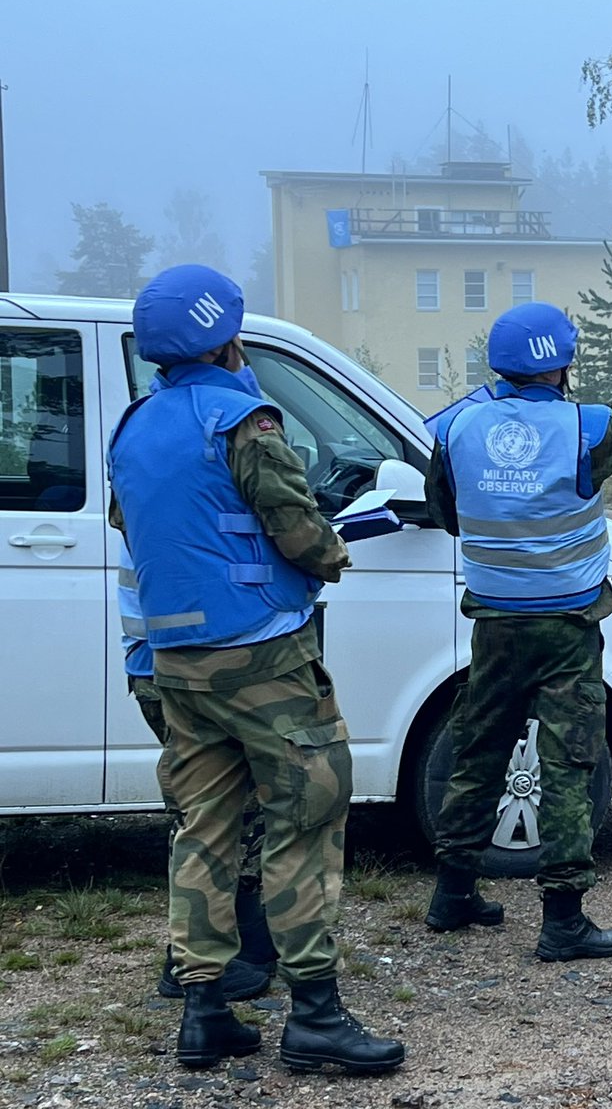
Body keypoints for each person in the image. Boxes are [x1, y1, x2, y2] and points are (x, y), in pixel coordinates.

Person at [108, 265, 404, 1074]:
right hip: (265, 654)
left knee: (203, 830)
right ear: (228, 338)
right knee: (305, 818)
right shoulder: (246, 420)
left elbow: (138, 525)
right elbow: (298, 530)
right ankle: (314, 1014)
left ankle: (204, 1010)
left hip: (176, 663)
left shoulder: (132, 427)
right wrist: (333, 553)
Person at [423, 301, 612, 960]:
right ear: (562, 365)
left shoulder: (456, 428)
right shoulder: (584, 429)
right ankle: (562, 920)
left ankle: (452, 894)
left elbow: (444, 511)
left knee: (478, 751)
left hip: (494, 623)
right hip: (566, 625)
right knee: (567, 761)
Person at [117, 538, 276, 1003]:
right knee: (207, 810)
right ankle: (191, 964)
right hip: (191, 662)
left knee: (231, 802)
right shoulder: (187, 487)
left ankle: (243, 935)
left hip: (158, 661)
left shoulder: (145, 478)